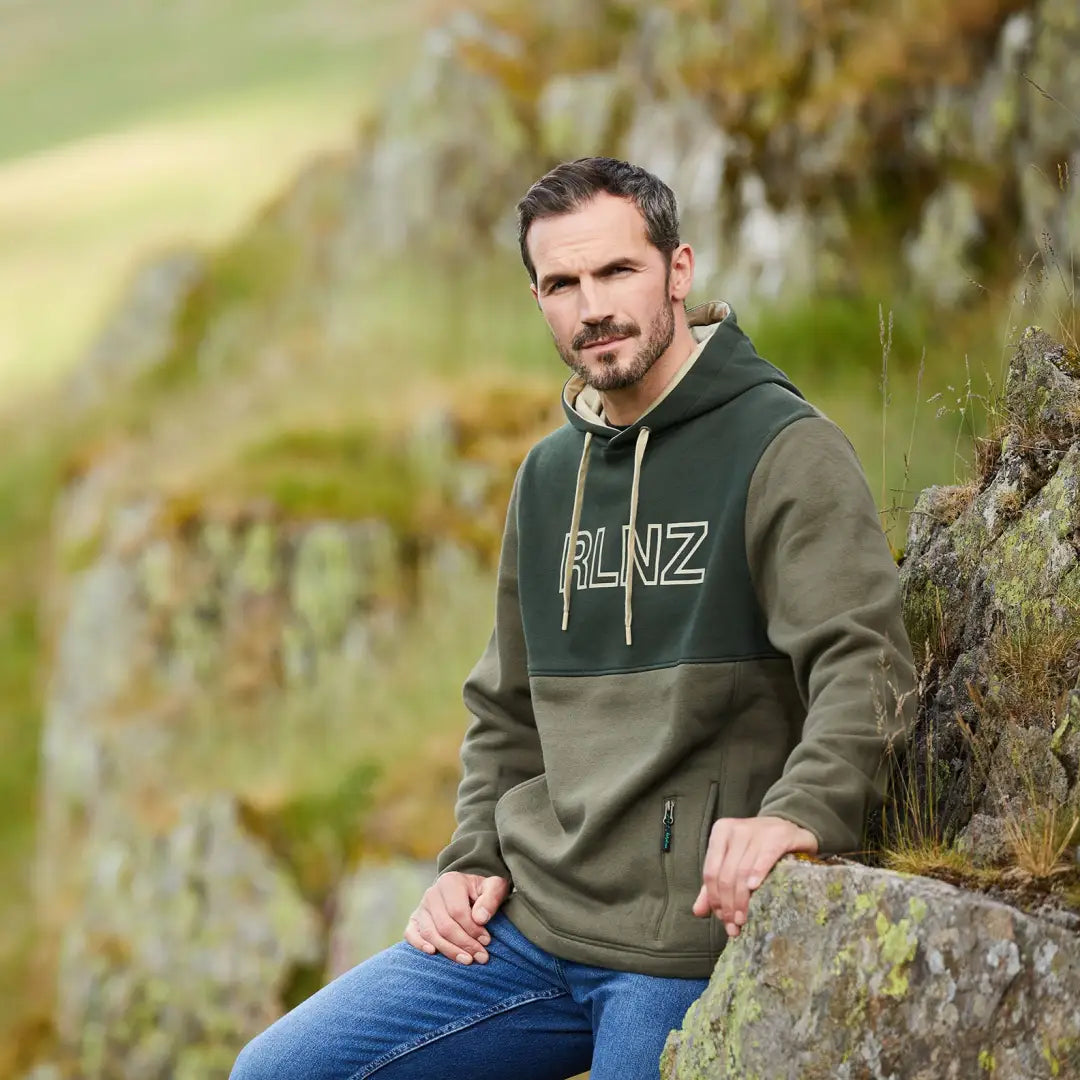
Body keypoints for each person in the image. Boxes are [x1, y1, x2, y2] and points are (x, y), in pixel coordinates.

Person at [231, 156, 916, 1080]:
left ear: (678, 269)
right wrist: (468, 857)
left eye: (616, 272)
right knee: (276, 1073)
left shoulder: (784, 451)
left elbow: (866, 662)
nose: (591, 306)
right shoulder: (549, 479)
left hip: (682, 944)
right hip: (531, 928)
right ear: (539, 298)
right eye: (561, 283)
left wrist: (797, 814)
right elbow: (505, 707)